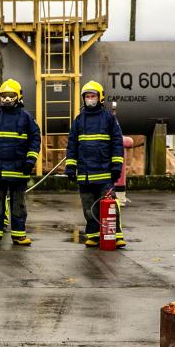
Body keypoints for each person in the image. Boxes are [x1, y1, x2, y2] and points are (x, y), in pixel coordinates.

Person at [64, 80, 126, 248]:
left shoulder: (109, 119)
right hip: (84, 174)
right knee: (88, 207)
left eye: (93, 96)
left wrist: (116, 166)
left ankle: (116, 234)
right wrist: (70, 167)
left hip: (105, 173)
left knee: (109, 204)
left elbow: (117, 144)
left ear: (100, 98)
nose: (90, 99)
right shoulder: (79, 120)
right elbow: (72, 146)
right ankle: (93, 235)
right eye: (87, 96)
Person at [0, 79, 40, 245]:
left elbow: (35, 140)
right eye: (3, 96)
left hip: (19, 171)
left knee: (18, 205)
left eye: (10, 96)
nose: (6, 99)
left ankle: (19, 235)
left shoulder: (27, 118)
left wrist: (30, 161)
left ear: (18, 96)